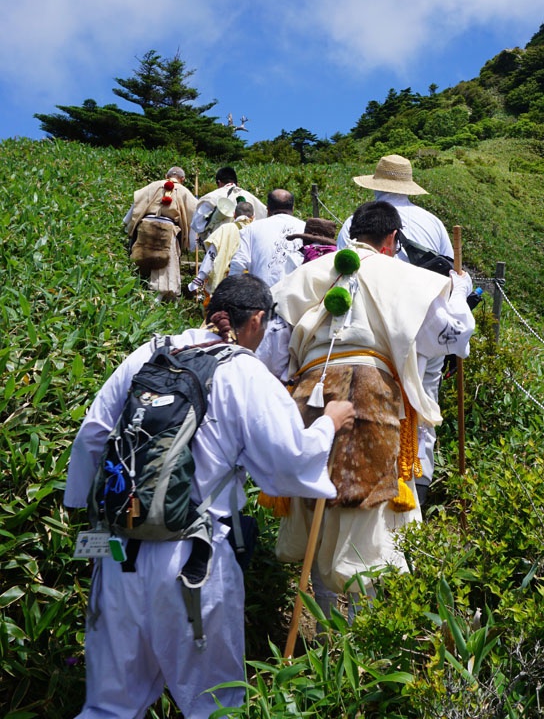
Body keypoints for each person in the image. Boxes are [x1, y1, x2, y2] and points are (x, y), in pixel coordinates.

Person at [63, 274, 354, 719]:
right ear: (257, 319)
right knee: (214, 704)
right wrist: (329, 423)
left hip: (117, 553)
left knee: (109, 705)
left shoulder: (151, 352)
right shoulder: (243, 370)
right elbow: (289, 464)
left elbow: (93, 435)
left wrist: (82, 511)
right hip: (194, 564)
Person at [263, 200, 473, 618]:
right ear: (393, 239)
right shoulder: (406, 277)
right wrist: (461, 292)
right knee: (368, 513)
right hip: (373, 396)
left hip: (312, 390)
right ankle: (360, 636)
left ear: (350, 234)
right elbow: (452, 337)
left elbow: (273, 345)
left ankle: (322, 629)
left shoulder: (307, 274)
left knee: (316, 498)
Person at [337, 154, 454, 507]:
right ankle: (416, 491)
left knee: (375, 404)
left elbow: (346, 272)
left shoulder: (353, 222)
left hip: (377, 328)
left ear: (375, 185)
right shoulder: (433, 223)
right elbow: (449, 273)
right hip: (427, 327)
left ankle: (374, 487)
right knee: (423, 404)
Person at [124, 167, 197, 301]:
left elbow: (136, 204)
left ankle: (135, 286)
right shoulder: (184, 191)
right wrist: (192, 245)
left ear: (166, 175)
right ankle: (162, 293)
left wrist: (127, 225)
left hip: (145, 225)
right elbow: (195, 215)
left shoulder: (152, 186)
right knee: (166, 262)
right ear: (183, 179)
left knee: (140, 257)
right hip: (167, 229)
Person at [228, 188, 304, 286]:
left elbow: (238, 263)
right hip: (296, 296)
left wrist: (230, 293)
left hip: (262, 297)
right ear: (293, 209)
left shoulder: (251, 229)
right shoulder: (305, 228)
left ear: (267, 209)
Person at [187, 199, 255, 304]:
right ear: (253, 217)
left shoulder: (225, 228)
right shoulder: (257, 230)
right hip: (250, 283)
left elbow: (211, 255)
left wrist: (200, 278)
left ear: (234, 214)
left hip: (224, 281)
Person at [190, 166, 267, 248]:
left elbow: (197, 225)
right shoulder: (251, 198)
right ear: (237, 183)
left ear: (219, 182)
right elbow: (264, 219)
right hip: (245, 248)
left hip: (218, 248)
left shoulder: (211, 197)